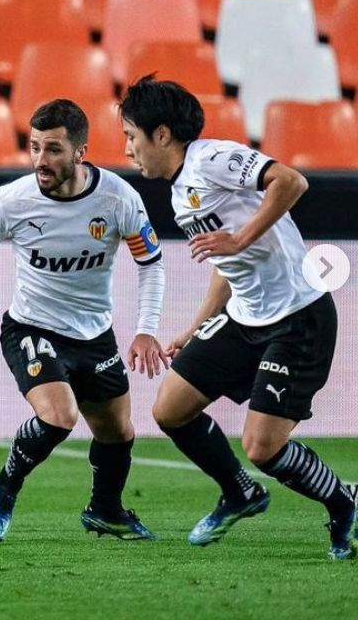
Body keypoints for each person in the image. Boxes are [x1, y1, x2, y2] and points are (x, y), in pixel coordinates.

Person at [119, 75, 357, 559]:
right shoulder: (179, 192)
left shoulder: (212, 158)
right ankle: (239, 492)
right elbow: (227, 266)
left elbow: (291, 181)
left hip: (298, 316)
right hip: (244, 318)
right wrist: (193, 328)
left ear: (161, 134)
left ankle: (344, 501)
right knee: (170, 408)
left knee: (262, 448)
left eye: (131, 136)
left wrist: (240, 238)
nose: (127, 149)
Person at [0, 99, 168, 542]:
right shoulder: (13, 200)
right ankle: (4, 487)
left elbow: (150, 263)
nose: (40, 160)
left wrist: (146, 329)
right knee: (59, 416)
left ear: (80, 152)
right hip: (31, 327)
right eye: (34, 147)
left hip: (94, 334)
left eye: (53, 149)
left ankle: (105, 511)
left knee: (117, 432)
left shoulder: (117, 198)